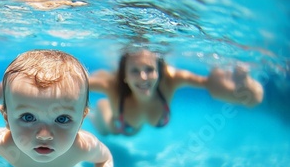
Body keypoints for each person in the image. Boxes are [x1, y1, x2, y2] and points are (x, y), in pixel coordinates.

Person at [89, 50, 264, 136]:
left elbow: (209, 84)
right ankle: (95, 111)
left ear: (159, 71)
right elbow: (76, 84)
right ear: (124, 75)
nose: (143, 77)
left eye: (149, 69)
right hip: (116, 126)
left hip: (130, 121)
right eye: (134, 71)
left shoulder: (172, 80)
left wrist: (243, 89)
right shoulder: (110, 85)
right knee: (104, 128)